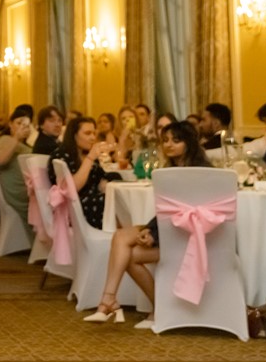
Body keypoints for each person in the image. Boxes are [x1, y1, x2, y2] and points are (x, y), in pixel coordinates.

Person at [84, 121, 211, 328]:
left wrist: (154, 234)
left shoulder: (199, 172)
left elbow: (187, 213)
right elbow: (167, 210)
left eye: (176, 140)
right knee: (121, 237)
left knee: (130, 256)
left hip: (190, 237)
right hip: (170, 231)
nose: (169, 145)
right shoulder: (171, 169)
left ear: (189, 143)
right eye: (166, 140)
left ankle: (149, 307)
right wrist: (151, 231)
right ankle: (108, 299)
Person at [50, 116, 120, 230]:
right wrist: (90, 158)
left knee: (118, 190)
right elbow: (72, 188)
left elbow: (101, 178)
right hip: (75, 207)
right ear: (74, 135)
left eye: (94, 133)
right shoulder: (61, 155)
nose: (93, 137)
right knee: (112, 202)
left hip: (93, 200)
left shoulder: (86, 153)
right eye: (87, 133)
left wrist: (105, 183)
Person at [0, 104, 34, 242]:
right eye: (19, 123)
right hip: (17, 191)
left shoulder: (25, 143)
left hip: (24, 188)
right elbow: (1, 160)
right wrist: (16, 138)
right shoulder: (6, 139)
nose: (23, 127)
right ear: (10, 124)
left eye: (26, 124)